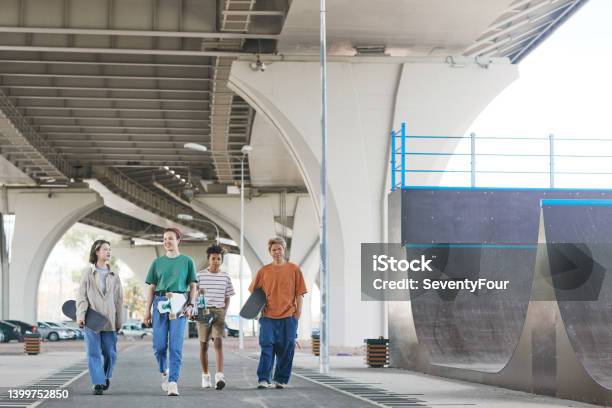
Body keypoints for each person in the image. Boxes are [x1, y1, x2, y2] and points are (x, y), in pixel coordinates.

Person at [144, 228, 197, 396]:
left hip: (179, 303)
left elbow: (193, 285)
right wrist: (147, 311)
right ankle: (164, 371)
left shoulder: (187, 261)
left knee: (175, 346)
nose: (167, 242)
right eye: (164, 239)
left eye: (170, 238)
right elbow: (151, 287)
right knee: (159, 346)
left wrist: (191, 304)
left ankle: (173, 382)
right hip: (160, 303)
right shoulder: (157, 262)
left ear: (178, 240)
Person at [249, 237, 307, 389]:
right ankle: (263, 378)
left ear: (284, 250)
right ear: (270, 252)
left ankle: (280, 379)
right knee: (267, 347)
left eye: (279, 249)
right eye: (274, 250)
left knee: (287, 349)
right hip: (268, 316)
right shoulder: (264, 271)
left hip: (289, 316)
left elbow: (300, 293)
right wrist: (255, 311)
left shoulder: (294, 269)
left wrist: (298, 314)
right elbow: (255, 293)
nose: (277, 252)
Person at [76, 239, 124, 395]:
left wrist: (119, 320)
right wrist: (81, 315)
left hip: (109, 320)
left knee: (110, 353)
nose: (108, 252)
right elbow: (81, 296)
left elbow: (118, 299)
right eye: (105, 249)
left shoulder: (114, 274)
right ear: (96, 251)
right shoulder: (87, 273)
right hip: (92, 319)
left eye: (109, 249)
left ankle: (105, 376)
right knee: (93, 352)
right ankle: (98, 382)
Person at [196, 245, 235, 390]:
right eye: (213, 258)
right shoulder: (200, 275)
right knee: (203, 344)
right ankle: (205, 376)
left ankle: (219, 376)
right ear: (208, 259)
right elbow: (195, 295)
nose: (216, 261)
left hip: (219, 311)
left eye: (219, 259)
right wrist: (195, 310)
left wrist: (224, 311)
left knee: (218, 343)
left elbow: (228, 297)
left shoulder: (225, 277)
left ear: (222, 260)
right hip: (204, 311)